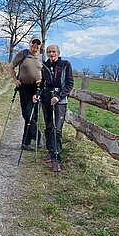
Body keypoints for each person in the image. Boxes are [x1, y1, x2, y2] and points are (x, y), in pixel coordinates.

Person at [35, 44, 74, 172]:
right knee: (49, 126)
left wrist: (58, 96)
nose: (51, 54)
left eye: (53, 52)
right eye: (49, 52)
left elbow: (70, 84)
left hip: (60, 101)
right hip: (47, 99)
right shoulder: (44, 66)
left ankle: (56, 158)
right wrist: (38, 94)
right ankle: (51, 151)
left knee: (57, 128)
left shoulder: (65, 64)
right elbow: (42, 84)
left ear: (58, 52)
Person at [9, 34, 43, 151]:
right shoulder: (22, 54)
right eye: (34, 42)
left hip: (37, 89)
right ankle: (38, 136)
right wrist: (15, 80)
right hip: (24, 88)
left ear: (40, 45)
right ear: (30, 42)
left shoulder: (42, 57)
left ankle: (26, 142)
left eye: (38, 43)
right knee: (26, 114)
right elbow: (11, 67)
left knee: (33, 115)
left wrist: (42, 80)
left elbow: (44, 73)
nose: (35, 45)